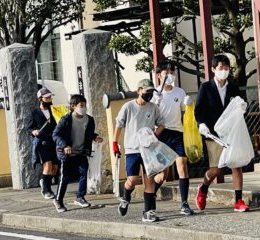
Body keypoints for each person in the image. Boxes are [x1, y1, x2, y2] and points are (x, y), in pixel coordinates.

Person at [194, 54, 249, 212]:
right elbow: (199, 110)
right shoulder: (206, 88)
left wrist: (243, 107)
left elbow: (240, 104)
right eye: (220, 68)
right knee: (217, 169)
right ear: (213, 69)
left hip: (232, 132)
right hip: (213, 133)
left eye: (226, 68)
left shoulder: (233, 87)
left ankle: (238, 200)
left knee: (236, 165)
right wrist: (202, 124)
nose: (224, 71)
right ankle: (203, 188)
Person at [113, 79, 165, 223]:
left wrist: (154, 135)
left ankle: (149, 212)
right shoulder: (128, 107)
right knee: (132, 180)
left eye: (151, 92)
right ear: (139, 91)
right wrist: (114, 143)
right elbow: (118, 125)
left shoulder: (153, 107)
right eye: (146, 91)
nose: (149, 94)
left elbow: (161, 124)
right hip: (132, 149)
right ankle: (125, 197)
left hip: (148, 149)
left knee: (149, 182)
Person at [152, 62, 194, 215]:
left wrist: (188, 104)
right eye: (166, 72)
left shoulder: (179, 92)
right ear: (158, 76)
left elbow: (185, 110)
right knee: (163, 174)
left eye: (172, 72)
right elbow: (150, 117)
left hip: (177, 132)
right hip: (162, 134)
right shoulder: (155, 94)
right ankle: (150, 194)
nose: (170, 75)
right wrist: (155, 102)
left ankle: (184, 203)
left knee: (182, 166)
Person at [52, 94, 103, 213]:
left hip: (81, 151)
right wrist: (65, 145)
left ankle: (80, 197)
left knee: (84, 173)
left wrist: (95, 137)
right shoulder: (66, 119)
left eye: (84, 105)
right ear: (73, 106)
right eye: (81, 105)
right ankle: (58, 200)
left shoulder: (89, 120)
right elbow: (56, 134)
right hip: (67, 152)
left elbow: (88, 134)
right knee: (65, 177)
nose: (83, 108)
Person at [28, 88, 59, 200]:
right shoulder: (35, 113)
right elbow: (29, 128)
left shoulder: (54, 110)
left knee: (55, 168)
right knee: (48, 165)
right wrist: (33, 131)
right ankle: (47, 191)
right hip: (42, 143)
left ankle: (44, 181)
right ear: (40, 99)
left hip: (53, 142)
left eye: (50, 97)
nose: (49, 99)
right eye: (47, 97)